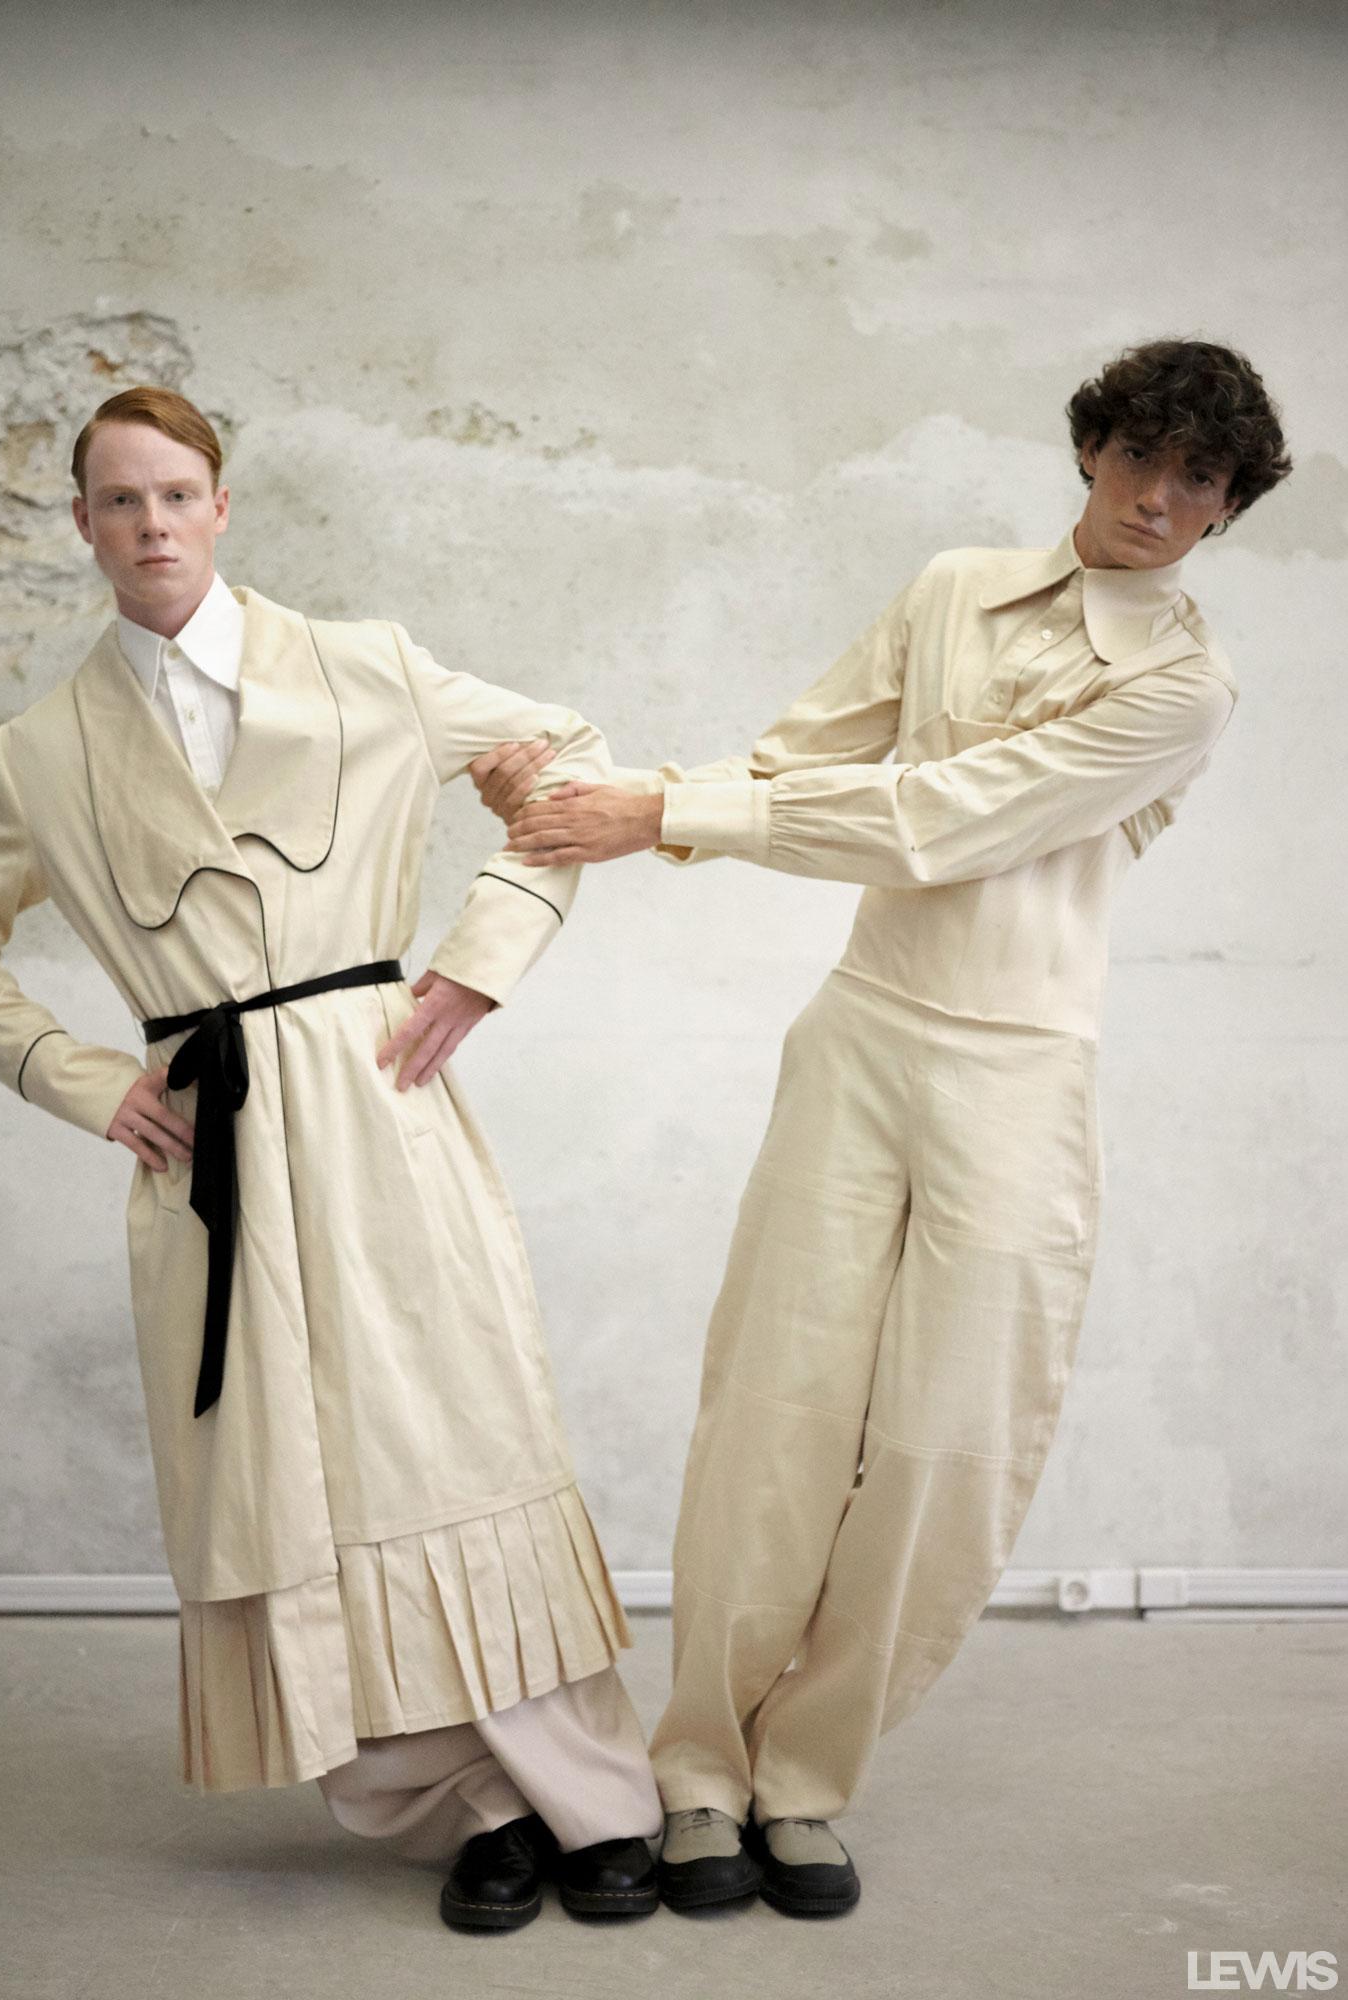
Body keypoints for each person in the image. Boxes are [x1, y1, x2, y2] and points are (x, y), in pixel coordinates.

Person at [469, 338, 1291, 1918]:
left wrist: (665, 814)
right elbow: (802, 758)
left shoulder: (1187, 685)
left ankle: (806, 1777)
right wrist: (607, 791)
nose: (1159, 498)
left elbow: (945, 818)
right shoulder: (950, 591)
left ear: (1228, 508)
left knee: (942, 1448)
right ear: (1092, 451)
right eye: (1140, 456)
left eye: (1200, 480)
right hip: (859, 1040)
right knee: (771, 1410)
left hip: (1021, 1075)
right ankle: (697, 1769)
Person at [0, 385, 662, 1933]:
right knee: (287, 1482)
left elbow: (568, 755)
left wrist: (478, 964)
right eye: (121, 501)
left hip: (379, 1101)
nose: (153, 525)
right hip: (212, 1147)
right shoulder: (40, 753)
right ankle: (472, 1807)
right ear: (83, 525)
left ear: (222, 506)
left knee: (456, 1442)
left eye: (177, 494)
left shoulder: (368, 668)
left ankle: (592, 1796)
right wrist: (83, 1081)